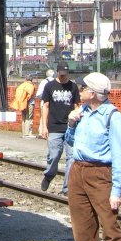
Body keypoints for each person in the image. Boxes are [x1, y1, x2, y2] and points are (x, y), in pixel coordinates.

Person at [65, 71, 121, 241]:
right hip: (78, 171)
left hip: (101, 173)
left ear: (93, 92)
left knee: (110, 226)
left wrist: (117, 190)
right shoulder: (82, 112)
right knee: (82, 228)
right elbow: (70, 142)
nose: (79, 90)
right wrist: (71, 124)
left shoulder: (113, 117)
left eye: (82, 88)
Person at [39, 62, 80, 194]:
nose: (63, 77)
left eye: (65, 75)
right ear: (57, 72)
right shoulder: (50, 86)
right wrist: (44, 126)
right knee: (54, 155)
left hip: (70, 127)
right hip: (54, 126)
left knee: (72, 158)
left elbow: (77, 106)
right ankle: (49, 175)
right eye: (61, 74)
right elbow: (45, 106)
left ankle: (67, 188)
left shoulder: (73, 87)